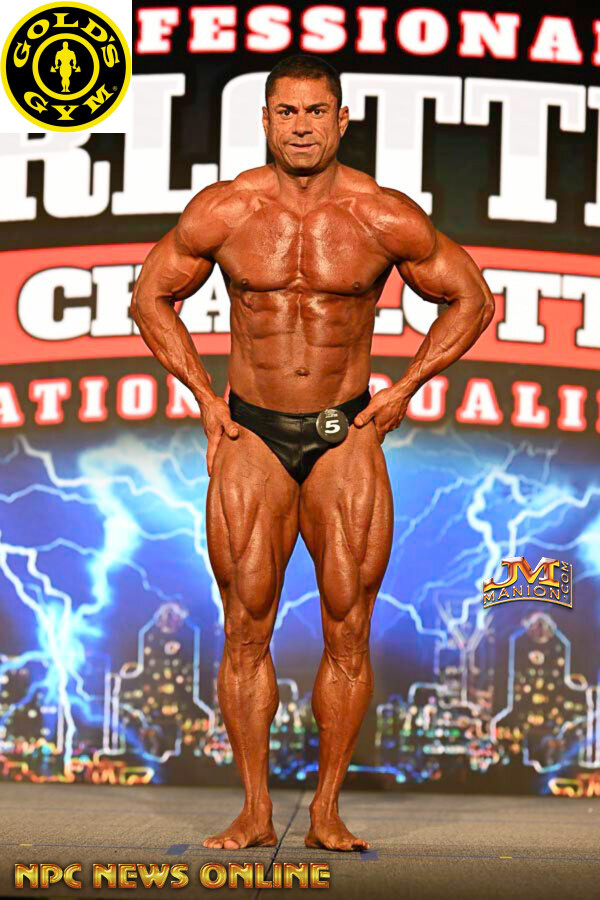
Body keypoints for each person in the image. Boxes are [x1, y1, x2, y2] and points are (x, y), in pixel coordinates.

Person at [130, 54, 495, 852]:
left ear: (341, 119)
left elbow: (471, 298)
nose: (302, 126)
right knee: (245, 623)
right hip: (252, 435)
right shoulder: (226, 209)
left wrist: (404, 390)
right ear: (266, 120)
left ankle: (325, 811)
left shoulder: (381, 214)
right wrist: (203, 396)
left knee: (348, 626)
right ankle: (256, 812)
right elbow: (150, 294)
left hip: (345, 434)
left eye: (316, 111)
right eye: (287, 112)